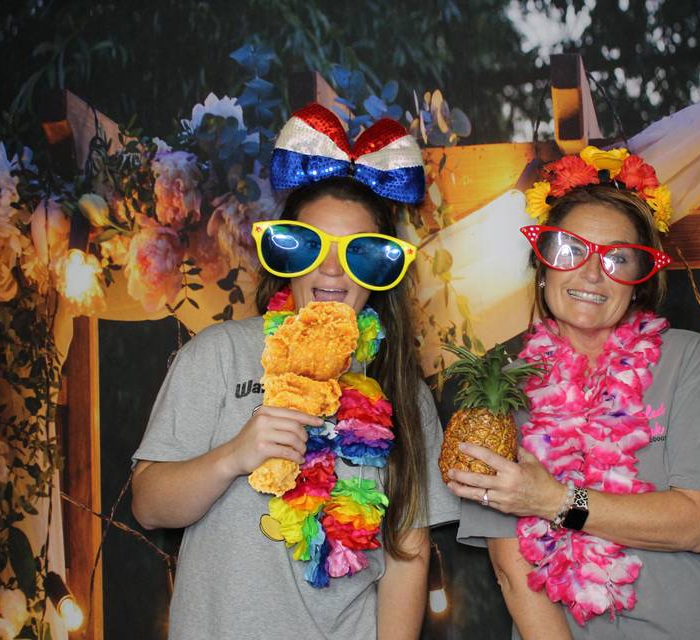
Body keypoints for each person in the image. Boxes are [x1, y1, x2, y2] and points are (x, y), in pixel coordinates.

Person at [131, 103, 459, 640]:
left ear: (380, 270)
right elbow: (148, 505)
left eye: (359, 253)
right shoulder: (218, 355)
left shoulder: (402, 389)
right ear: (287, 255)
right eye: (313, 247)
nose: (332, 269)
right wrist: (232, 456)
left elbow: (407, 556)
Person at [449, 148, 700, 639]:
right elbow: (514, 573)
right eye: (570, 251)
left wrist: (552, 499)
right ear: (544, 265)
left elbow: (695, 523)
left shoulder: (687, 361)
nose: (592, 275)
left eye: (618, 258)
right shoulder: (496, 389)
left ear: (640, 283)